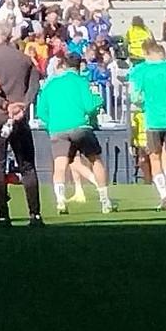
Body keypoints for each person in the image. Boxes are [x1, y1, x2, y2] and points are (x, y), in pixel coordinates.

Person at [0, 19, 44, 227]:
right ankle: (35, 215)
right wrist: (22, 105)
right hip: (19, 118)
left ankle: (4, 215)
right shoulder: (25, 59)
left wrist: (5, 105)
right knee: (27, 166)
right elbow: (34, 87)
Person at [37, 52, 109, 215]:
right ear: (79, 66)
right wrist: (98, 101)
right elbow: (90, 106)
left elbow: (41, 111)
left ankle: (61, 201)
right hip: (80, 127)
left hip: (57, 129)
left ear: (64, 65)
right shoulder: (81, 82)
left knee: (60, 165)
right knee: (95, 160)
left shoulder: (51, 84)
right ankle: (105, 201)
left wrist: (52, 124)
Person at [128, 39, 166, 209]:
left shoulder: (140, 70)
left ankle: (164, 196)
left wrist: (144, 103)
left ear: (148, 55)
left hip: (153, 119)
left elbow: (135, 96)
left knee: (154, 157)